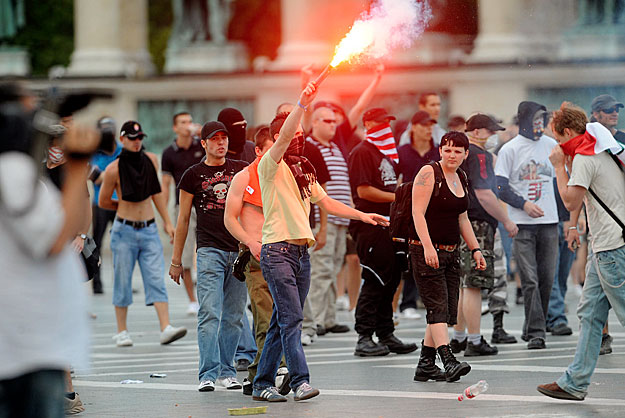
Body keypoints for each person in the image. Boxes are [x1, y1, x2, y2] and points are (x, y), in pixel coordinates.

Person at [252, 83, 389, 402]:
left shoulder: (303, 170)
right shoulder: (270, 166)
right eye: (292, 134)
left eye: (300, 134)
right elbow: (284, 136)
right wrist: (302, 103)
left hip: (301, 253)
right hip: (277, 251)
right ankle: (300, 381)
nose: (298, 138)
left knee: (281, 320)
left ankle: (261, 384)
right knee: (293, 319)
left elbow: (328, 203)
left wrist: (363, 215)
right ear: (277, 139)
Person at [0, 83, 90, 418]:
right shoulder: (11, 171)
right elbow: (52, 243)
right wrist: (79, 166)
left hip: (28, 343)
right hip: (25, 349)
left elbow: (68, 225)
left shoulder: (21, 174)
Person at [537, 102, 625, 401]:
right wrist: (573, 227)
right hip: (607, 245)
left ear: (567, 131)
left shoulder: (584, 156)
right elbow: (585, 195)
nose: (559, 145)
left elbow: (572, 199)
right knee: (589, 314)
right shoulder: (598, 146)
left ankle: (574, 382)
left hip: (612, 248)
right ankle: (574, 383)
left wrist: (558, 167)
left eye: (559, 139)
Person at [169, 121, 248, 392]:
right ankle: (207, 373)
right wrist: (176, 260)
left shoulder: (240, 169)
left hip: (238, 251)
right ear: (203, 143)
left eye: (224, 138)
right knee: (209, 313)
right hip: (209, 251)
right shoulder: (192, 175)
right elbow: (182, 220)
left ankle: (228, 371)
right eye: (214, 139)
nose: (220, 143)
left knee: (234, 315)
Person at [99, 120, 187, 348]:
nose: (137, 142)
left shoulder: (151, 160)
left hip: (148, 230)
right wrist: (123, 208)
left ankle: (165, 327)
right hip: (124, 231)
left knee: (156, 278)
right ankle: (121, 331)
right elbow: (103, 200)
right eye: (131, 138)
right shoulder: (113, 169)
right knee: (122, 279)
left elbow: (156, 193)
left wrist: (168, 223)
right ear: (122, 139)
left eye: (139, 138)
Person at [411, 131, 486, 382]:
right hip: (426, 251)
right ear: (440, 150)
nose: (451, 154)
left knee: (445, 310)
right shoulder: (428, 172)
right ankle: (448, 359)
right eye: (447, 149)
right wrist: (428, 246)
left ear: (466, 154)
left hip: (451, 252)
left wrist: (475, 249)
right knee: (437, 308)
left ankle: (425, 364)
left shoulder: (461, 176)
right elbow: (417, 213)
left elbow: (462, 217)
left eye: (457, 150)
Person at [224, 126, 290, 396]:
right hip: (256, 258)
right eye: (271, 150)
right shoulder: (244, 177)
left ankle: (256, 375)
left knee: (286, 317)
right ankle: (279, 370)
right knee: (265, 318)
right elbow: (229, 218)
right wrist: (250, 242)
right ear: (259, 150)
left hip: (285, 255)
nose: (277, 155)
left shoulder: (283, 174)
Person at [348, 107, 418, 357]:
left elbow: (391, 183)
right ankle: (364, 336)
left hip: (391, 223)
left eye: (387, 123)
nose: (384, 127)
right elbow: (363, 191)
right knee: (375, 279)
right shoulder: (362, 152)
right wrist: (400, 197)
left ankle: (385, 332)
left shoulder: (386, 153)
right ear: (367, 124)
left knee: (391, 279)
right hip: (370, 223)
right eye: (378, 123)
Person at [450, 114, 518, 357]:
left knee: (462, 284)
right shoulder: (478, 155)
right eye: (489, 132)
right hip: (477, 223)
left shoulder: (459, 155)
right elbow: (484, 193)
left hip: (459, 220)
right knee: (474, 284)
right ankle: (475, 340)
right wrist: (506, 220)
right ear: (477, 131)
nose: (492, 136)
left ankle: (458, 337)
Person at [495, 101, 559, 350]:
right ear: (524, 120)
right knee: (529, 279)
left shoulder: (551, 146)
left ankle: (533, 325)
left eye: (543, 119)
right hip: (522, 223)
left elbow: (560, 182)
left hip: (549, 222)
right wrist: (523, 204)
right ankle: (536, 332)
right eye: (536, 119)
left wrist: (568, 220)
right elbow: (500, 187)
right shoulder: (510, 149)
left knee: (546, 278)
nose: (539, 124)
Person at [305, 106, 352, 338]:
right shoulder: (310, 147)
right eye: (327, 121)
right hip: (324, 217)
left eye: (335, 121)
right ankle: (318, 319)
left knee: (334, 268)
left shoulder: (334, 147)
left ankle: (330, 317)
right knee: (320, 269)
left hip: (341, 218)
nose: (333, 125)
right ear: (314, 122)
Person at [589, 93, 625, 354]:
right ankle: (602, 335)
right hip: (600, 221)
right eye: (609, 110)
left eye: (616, 109)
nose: (614, 113)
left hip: (620, 220)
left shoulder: (621, 138)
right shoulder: (590, 143)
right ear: (596, 114)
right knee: (600, 286)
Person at [397, 110, 440, 319]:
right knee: (410, 255)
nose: (428, 129)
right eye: (423, 125)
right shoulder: (402, 151)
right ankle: (407, 302)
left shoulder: (438, 152)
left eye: (431, 125)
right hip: (408, 211)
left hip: (434, 210)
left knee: (432, 254)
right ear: (414, 127)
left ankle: (428, 299)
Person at [161, 111, 204, 315]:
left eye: (189, 121)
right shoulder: (169, 153)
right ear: (175, 128)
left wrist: (201, 131)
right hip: (183, 206)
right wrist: (167, 219)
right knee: (184, 254)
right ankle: (192, 300)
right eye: (182, 122)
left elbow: (218, 141)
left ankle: (206, 293)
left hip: (206, 203)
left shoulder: (201, 144)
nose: (187, 125)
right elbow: (166, 186)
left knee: (208, 249)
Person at [89, 116, 122, 295]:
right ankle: (97, 282)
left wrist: (105, 176)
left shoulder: (123, 150)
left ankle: (121, 282)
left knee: (121, 244)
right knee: (97, 244)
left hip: (119, 204)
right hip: (99, 204)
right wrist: (113, 176)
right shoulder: (92, 152)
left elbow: (127, 175)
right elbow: (94, 176)